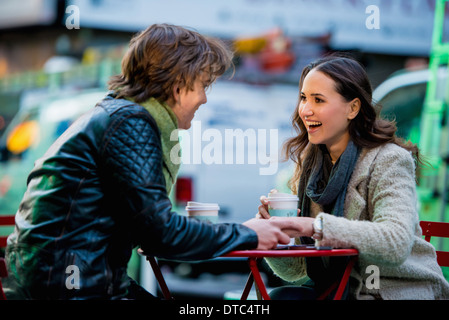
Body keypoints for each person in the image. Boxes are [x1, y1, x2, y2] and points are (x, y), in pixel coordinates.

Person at [3, 24, 299, 300]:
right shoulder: (131, 122)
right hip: (72, 286)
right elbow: (160, 233)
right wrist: (247, 234)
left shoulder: (118, 114)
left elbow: (152, 227)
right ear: (179, 83)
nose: (204, 99)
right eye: (203, 85)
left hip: (68, 278)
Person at [257, 54, 449, 300]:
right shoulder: (312, 163)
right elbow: (297, 271)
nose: (305, 110)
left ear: (353, 108)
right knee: (282, 296)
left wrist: (316, 227)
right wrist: (276, 234)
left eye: (318, 100)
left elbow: (396, 242)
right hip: (339, 289)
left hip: (389, 290)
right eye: (304, 98)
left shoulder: (389, 159)